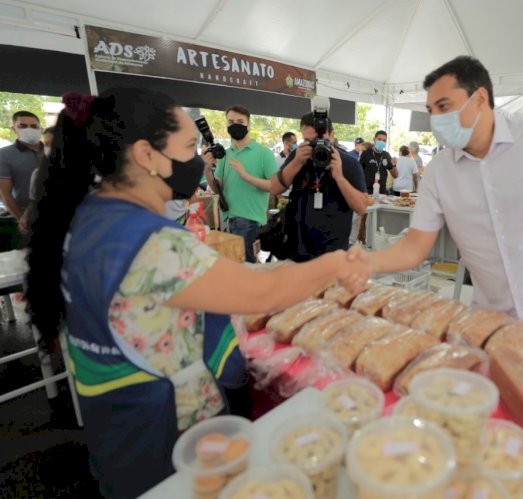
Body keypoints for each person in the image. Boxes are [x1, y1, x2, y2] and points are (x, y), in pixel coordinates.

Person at [25, 88, 369, 498]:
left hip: (118, 430)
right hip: (168, 448)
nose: (200, 159)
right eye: (190, 148)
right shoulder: (146, 239)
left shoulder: (88, 215)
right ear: (147, 156)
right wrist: (336, 265)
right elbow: (264, 293)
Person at [349, 56, 523, 354]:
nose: (436, 119)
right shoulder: (440, 171)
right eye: (431, 111)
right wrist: (369, 261)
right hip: (494, 324)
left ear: (480, 98)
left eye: (444, 107)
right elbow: (415, 245)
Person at [270, 112, 368, 262]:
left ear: (332, 135)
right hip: (297, 248)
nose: (315, 146)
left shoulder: (348, 163)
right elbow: (275, 188)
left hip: (333, 252)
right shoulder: (299, 155)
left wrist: (340, 178)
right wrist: (296, 162)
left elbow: (362, 207)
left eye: (319, 140)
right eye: (308, 140)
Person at [203, 105, 277, 263]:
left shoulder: (263, 153)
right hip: (228, 219)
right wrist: (207, 169)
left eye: (240, 121)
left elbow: (274, 186)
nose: (235, 124)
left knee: (244, 266)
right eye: (231, 121)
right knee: (241, 266)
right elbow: (218, 188)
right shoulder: (225, 154)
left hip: (249, 220)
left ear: (249, 124)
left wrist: (246, 176)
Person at [0, 110, 44, 235]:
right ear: (14, 129)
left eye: (34, 126)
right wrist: (22, 219)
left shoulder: (52, 151)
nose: (29, 129)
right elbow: (4, 193)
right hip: (26, 214)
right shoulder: (4, 155)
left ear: (41, 129)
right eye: (23, 126)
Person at [359, 130, 398, 195]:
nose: (381, 142)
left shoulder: (387, 155)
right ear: (374, 139)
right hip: (367, 192)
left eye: (384, 140)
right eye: (379, 139)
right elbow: (358, 173)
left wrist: (394, 165)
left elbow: (395, 175)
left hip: (382, 193)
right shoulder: (365, 154)